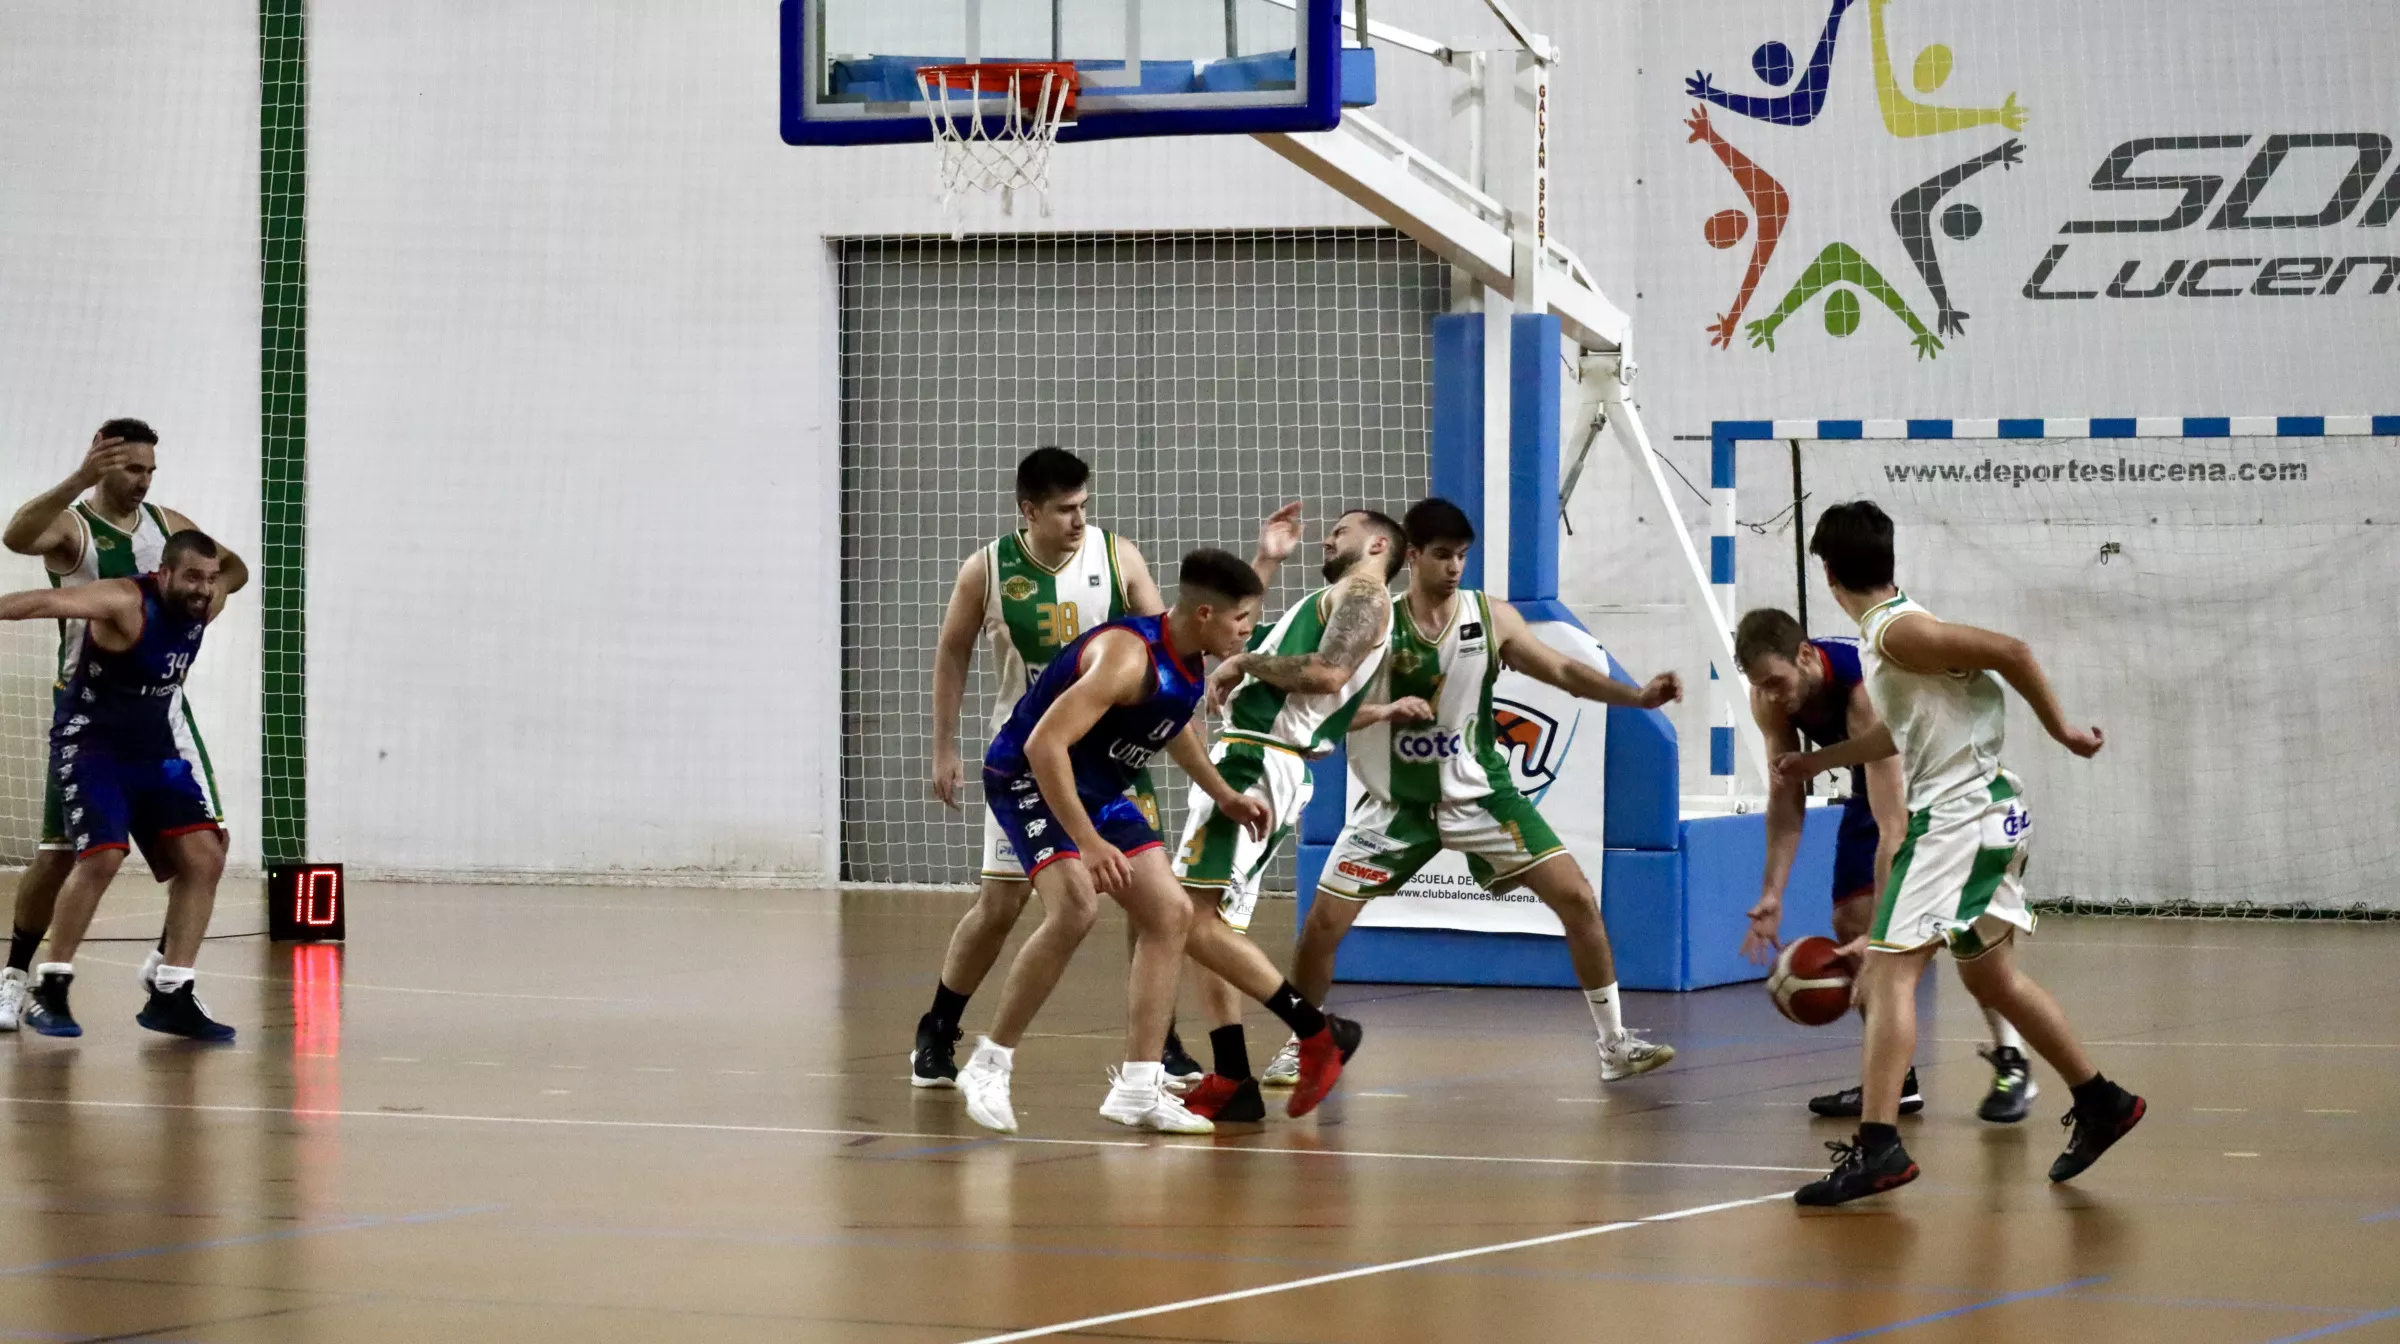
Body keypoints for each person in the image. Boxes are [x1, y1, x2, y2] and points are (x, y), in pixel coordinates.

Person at [1782, 500, 2142, 1206]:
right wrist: (1821, 759)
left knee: (1889, 973)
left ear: (1828, 574)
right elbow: (1902, 734)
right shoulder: (1900, 630)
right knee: (1991, 979)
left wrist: (2064, 731)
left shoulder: (1896, 633)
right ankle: (2102, 1101)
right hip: (1992, 810)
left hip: (1956, 818)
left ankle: (1878, 1146)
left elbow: (2013, 651)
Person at [912, 446, 1300, 1088]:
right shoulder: (986, 570)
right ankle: (940, 1025)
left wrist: (1261, 565)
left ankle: (1156, 1047)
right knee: (1002, 903)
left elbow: (1192, 632)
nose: (1078, 520)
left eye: (1084, 507)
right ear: (1028, 510)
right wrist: (944, 746)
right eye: (1065, 510)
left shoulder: (1117, 558)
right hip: (1036, 755)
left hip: (1115, 757)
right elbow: (952, 653)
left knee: (1154, 902)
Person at [956, 549, 1362, 1135]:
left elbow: (1174, 730)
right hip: (1028, 775)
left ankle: (1140, 1087)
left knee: (1171, 914)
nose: (1249, 633)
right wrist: (1089, 842)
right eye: (1242, 620)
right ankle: (990, 1065)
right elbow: (1045, 746)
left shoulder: (1191, 660)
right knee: (1075, 908)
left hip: (1097, 784)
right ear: (1204, 614)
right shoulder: (1127, 657)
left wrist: (1223, 793)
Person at [1285, 498, 1682, 1084]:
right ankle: (1303, 1046)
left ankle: (1615, 1044)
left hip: (1482, 797)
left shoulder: (1489, 618)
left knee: (1577, 899)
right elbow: (1331, 704)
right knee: (1321, 925)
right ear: (1412, 555)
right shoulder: (1373, 619)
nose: (1454, 568)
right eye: (1442, 555)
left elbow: (1565, 673)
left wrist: (1636, 696)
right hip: (1396, 807)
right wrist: (1387, 710)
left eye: (1463, 556)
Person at [1734, 607, 2037, 1124]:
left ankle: (2013, 1058)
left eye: (1778, 682)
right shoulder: (1770, 699)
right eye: (1762, 686)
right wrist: (1772, 893)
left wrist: (1884, 928)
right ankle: (1897, 1083)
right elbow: (1787, 800)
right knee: (1850, 922)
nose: (1773, 695)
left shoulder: (1861, 693)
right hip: (1874, 785)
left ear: (1805, 656)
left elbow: (1894, 827)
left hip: (1945, 789)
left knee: (1963, 935)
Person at [0, 421, 247, 1031]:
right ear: (104, 464)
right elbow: (16, 537)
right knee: (63, 854)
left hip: (161, 708)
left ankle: (170, 977)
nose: (143, 481)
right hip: (89, 708)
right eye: (132, 468)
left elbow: (234, 567)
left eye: (149, 470)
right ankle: (16, 978)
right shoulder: (74, 526)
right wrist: (77, 479)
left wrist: (212, 600)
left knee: (207, 844)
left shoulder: (168, 525)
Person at [1169, 509, 1402, 1120]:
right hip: (1268, 760)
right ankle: (1233, 1079)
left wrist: (1243, 665)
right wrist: (1266, 560)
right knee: (1212, 928)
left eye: (1344, 530)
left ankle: (1317, 1033)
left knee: (1181, 917)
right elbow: (1246, 632)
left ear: (1378, 543)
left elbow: (1326, 674)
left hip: (1255, 761)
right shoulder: (1333, 599)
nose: (1329, 536)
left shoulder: (1365, 593)